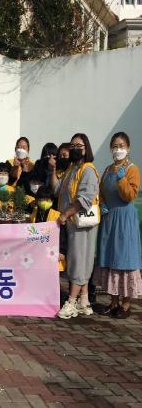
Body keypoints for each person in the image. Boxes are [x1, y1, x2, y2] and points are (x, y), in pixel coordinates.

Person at [51, 133, 100, 319]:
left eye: (78, 145)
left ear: (86, 148)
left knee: (79, 261)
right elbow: (57, 190)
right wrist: (53, 169)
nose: (75, 149)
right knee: (79, 259)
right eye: (72, 146)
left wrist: (66, 214)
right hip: (72, 224)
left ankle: (71, 302)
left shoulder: (88, 170)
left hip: (82, 223)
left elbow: (84, 200)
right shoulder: (72, 169)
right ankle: (84, 301)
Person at [94, 132, 141, 319]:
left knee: (124, 259)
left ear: (128, 148)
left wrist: (122, 179)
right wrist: (101, 203)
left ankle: (126, 304)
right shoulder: (107, 170)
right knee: (110, 259)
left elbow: (130, 195)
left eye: (121, 146)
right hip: (109, 218)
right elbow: (100, 191)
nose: (118, 149)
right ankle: (113, 302)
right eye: (115, 146)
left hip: (124, 220)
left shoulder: (132, 169)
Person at [29, 185, 66, 272]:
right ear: (37, 200)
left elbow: (63, 235)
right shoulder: (33, 213)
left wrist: (62, 251)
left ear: (52, 201)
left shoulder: (57, 215)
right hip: (36, 251)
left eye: (48, 200)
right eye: (42, 199)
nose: (45, 202)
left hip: (52, 251)